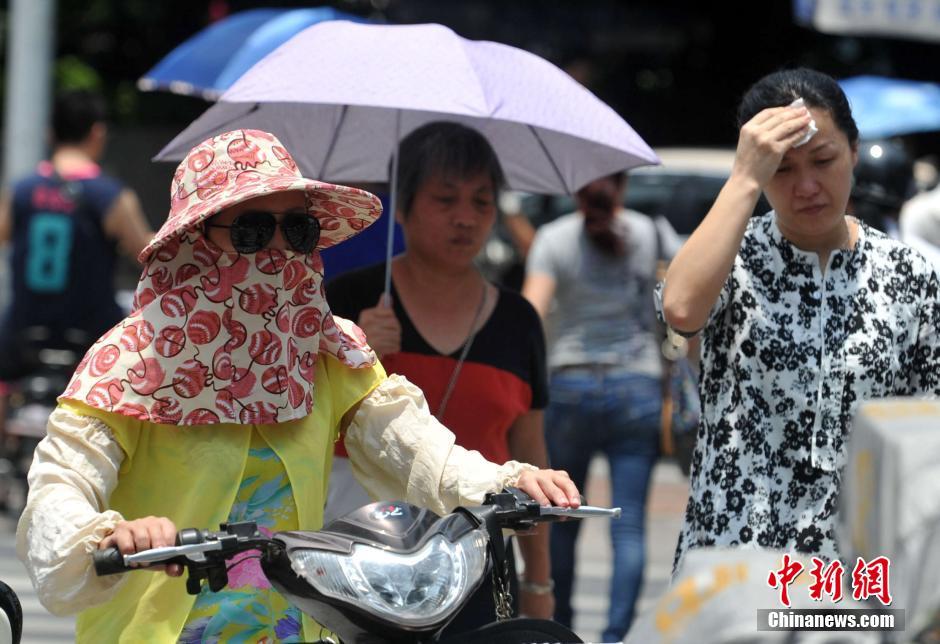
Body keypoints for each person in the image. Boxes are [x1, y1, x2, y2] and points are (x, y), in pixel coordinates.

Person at [15, 129, 579, 642]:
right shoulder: (132, 357)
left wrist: (508, 479)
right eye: (254, 229)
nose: (282, 250)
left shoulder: (325, 348)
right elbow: (60, 487)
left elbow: (417, 448)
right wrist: (112, 536)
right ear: (195, 239)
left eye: (299, 229)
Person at [659, 68, 940, 575]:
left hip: (859, 569)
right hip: (733, 561)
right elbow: (680, 310)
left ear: (854, 152)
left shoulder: (908, 274)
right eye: (781, 169)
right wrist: (745, 176)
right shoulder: (732, 257)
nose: (807, 186)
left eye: (824, 160)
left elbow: (928, 427)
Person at [324, 121, 555, 630]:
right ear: (402, 207)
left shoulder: (518, 321)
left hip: (479, 563)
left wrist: (539, 581)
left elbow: (531, 450)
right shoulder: (343, 303)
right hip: (357, 555)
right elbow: (308, 426)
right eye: (445, 199)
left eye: (481, 201)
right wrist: (353, 353)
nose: (465, 219)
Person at [522, 171, 683, 641]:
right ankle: (615, 636)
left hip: (568, 386)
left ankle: (563, 630)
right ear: (623, 185)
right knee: (629, 524)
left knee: (562, 520)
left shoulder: (554, 239)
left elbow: (531, 313)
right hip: (638, 386)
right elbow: (685, 302)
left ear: (576, 188)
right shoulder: (653, 233)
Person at [0, 89, 153, 376]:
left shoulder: (21, 191)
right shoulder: (111, 196)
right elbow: (145, 253)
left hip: (23, 330)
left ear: (50, 134)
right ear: (97, 133)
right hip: (90, 333)